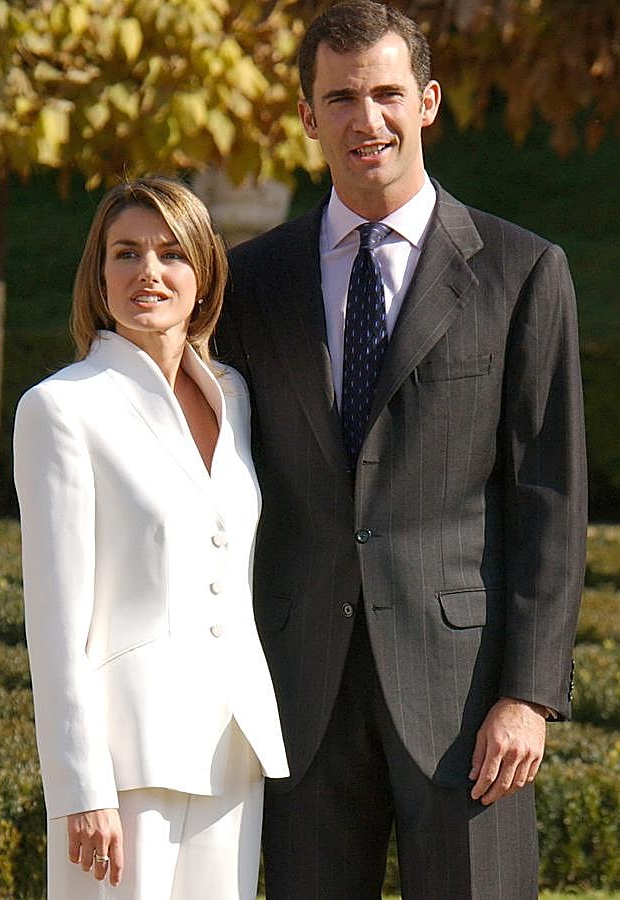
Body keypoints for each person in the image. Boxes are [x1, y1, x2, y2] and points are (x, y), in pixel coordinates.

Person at [215, 2, 587, 897]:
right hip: (300, 695)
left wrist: (529, 695)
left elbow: (550, 497)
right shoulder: (250, 283)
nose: (366, 119)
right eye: (341, 98)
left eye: (386, 93)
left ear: (428, 101)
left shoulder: (521, 271)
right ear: (308, 117)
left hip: (468, 702)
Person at [13, 175, 288, 900]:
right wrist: (81, 787)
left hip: (233, 744)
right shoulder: (61, 408)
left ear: (204, 275)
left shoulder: (234, 396)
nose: (149, 272)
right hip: (124, 759)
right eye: (126, 253)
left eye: (171, 254)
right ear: (99, 276)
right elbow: (55, 620)